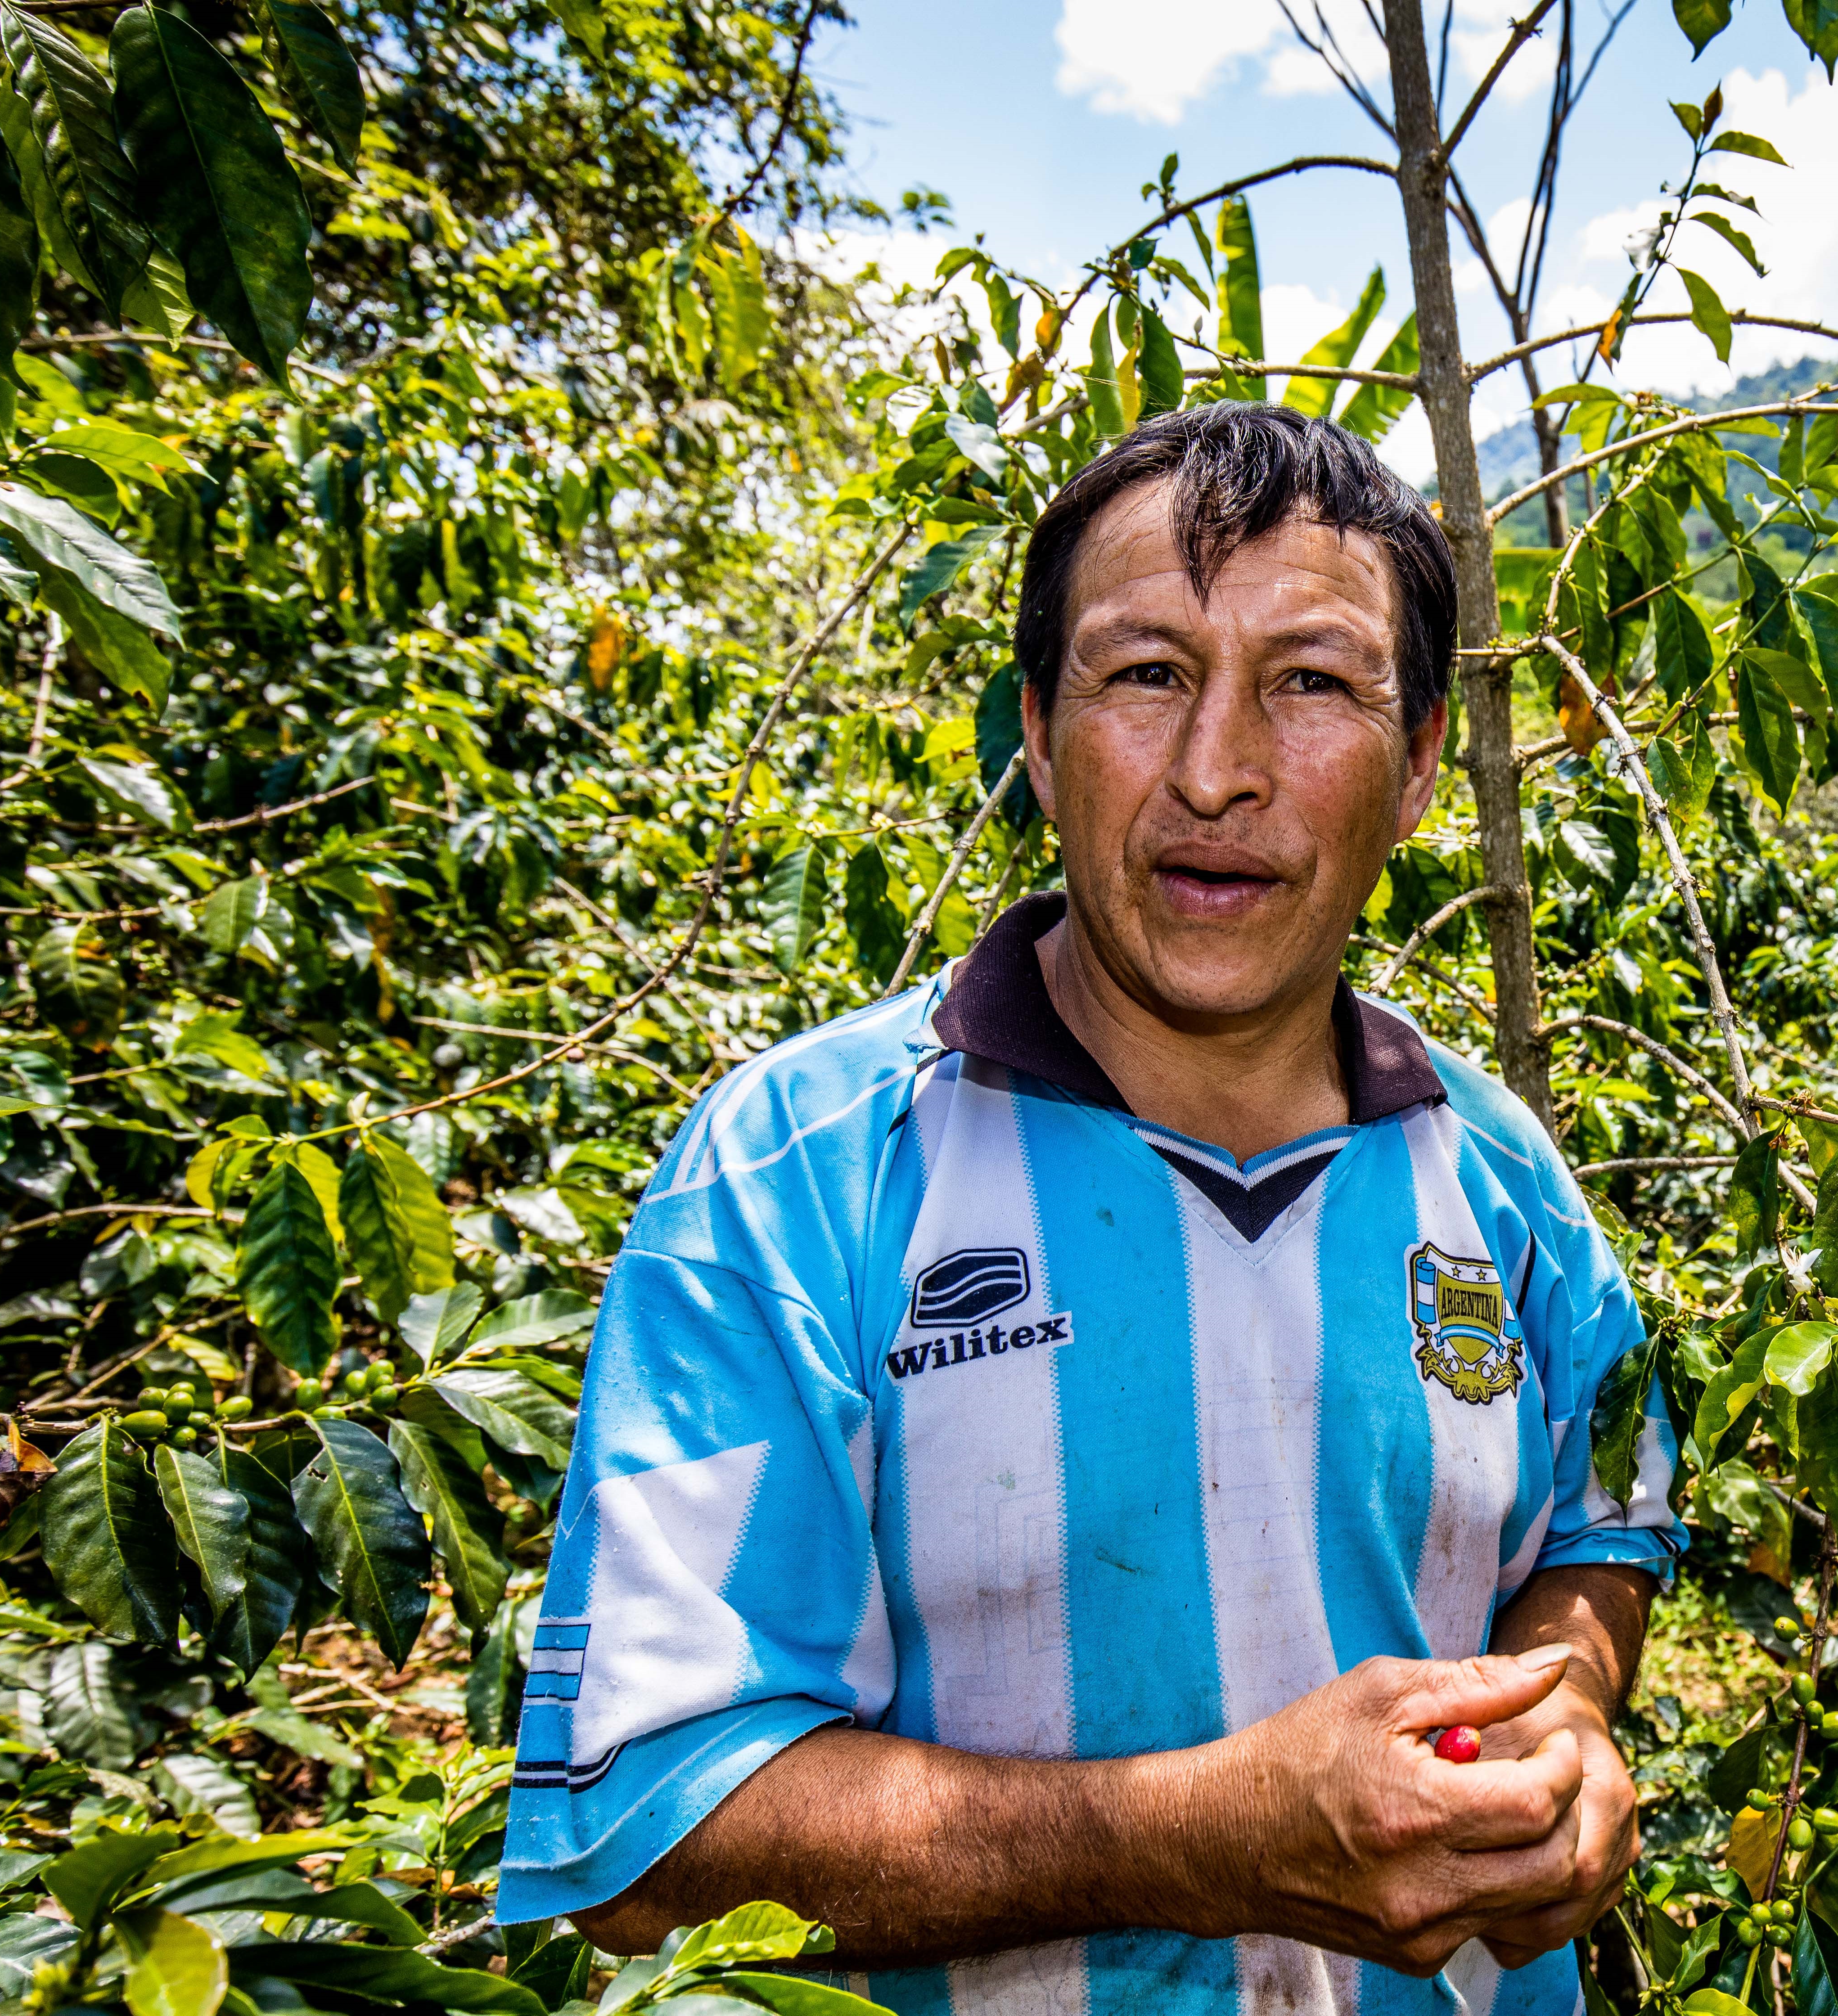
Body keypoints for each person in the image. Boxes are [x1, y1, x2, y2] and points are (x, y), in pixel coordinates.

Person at [496, 402, 1685, 2016]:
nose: (1217, 772)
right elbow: (649, 1833)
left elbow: (1606, 1520)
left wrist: (1571, 1699)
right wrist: (1205, 1836)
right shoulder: (792, 1176)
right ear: (1043, 741)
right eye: (1145, 674)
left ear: (1417, 769)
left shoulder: (1502, 1173)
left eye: (1312, 684)